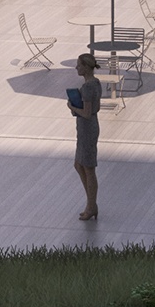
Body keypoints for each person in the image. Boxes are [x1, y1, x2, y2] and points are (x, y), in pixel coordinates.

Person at [69, 52, 103, 221]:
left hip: (87, 128)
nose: (76, 67)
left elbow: (87, 113)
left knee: (88, 168)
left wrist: (73, 107)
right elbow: (97, 108)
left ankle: (91, 205)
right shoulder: (96, 83)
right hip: (88, 127)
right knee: (79, 164)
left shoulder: (88, 87)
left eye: (79, 65)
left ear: (86, 67)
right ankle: (91, 203)